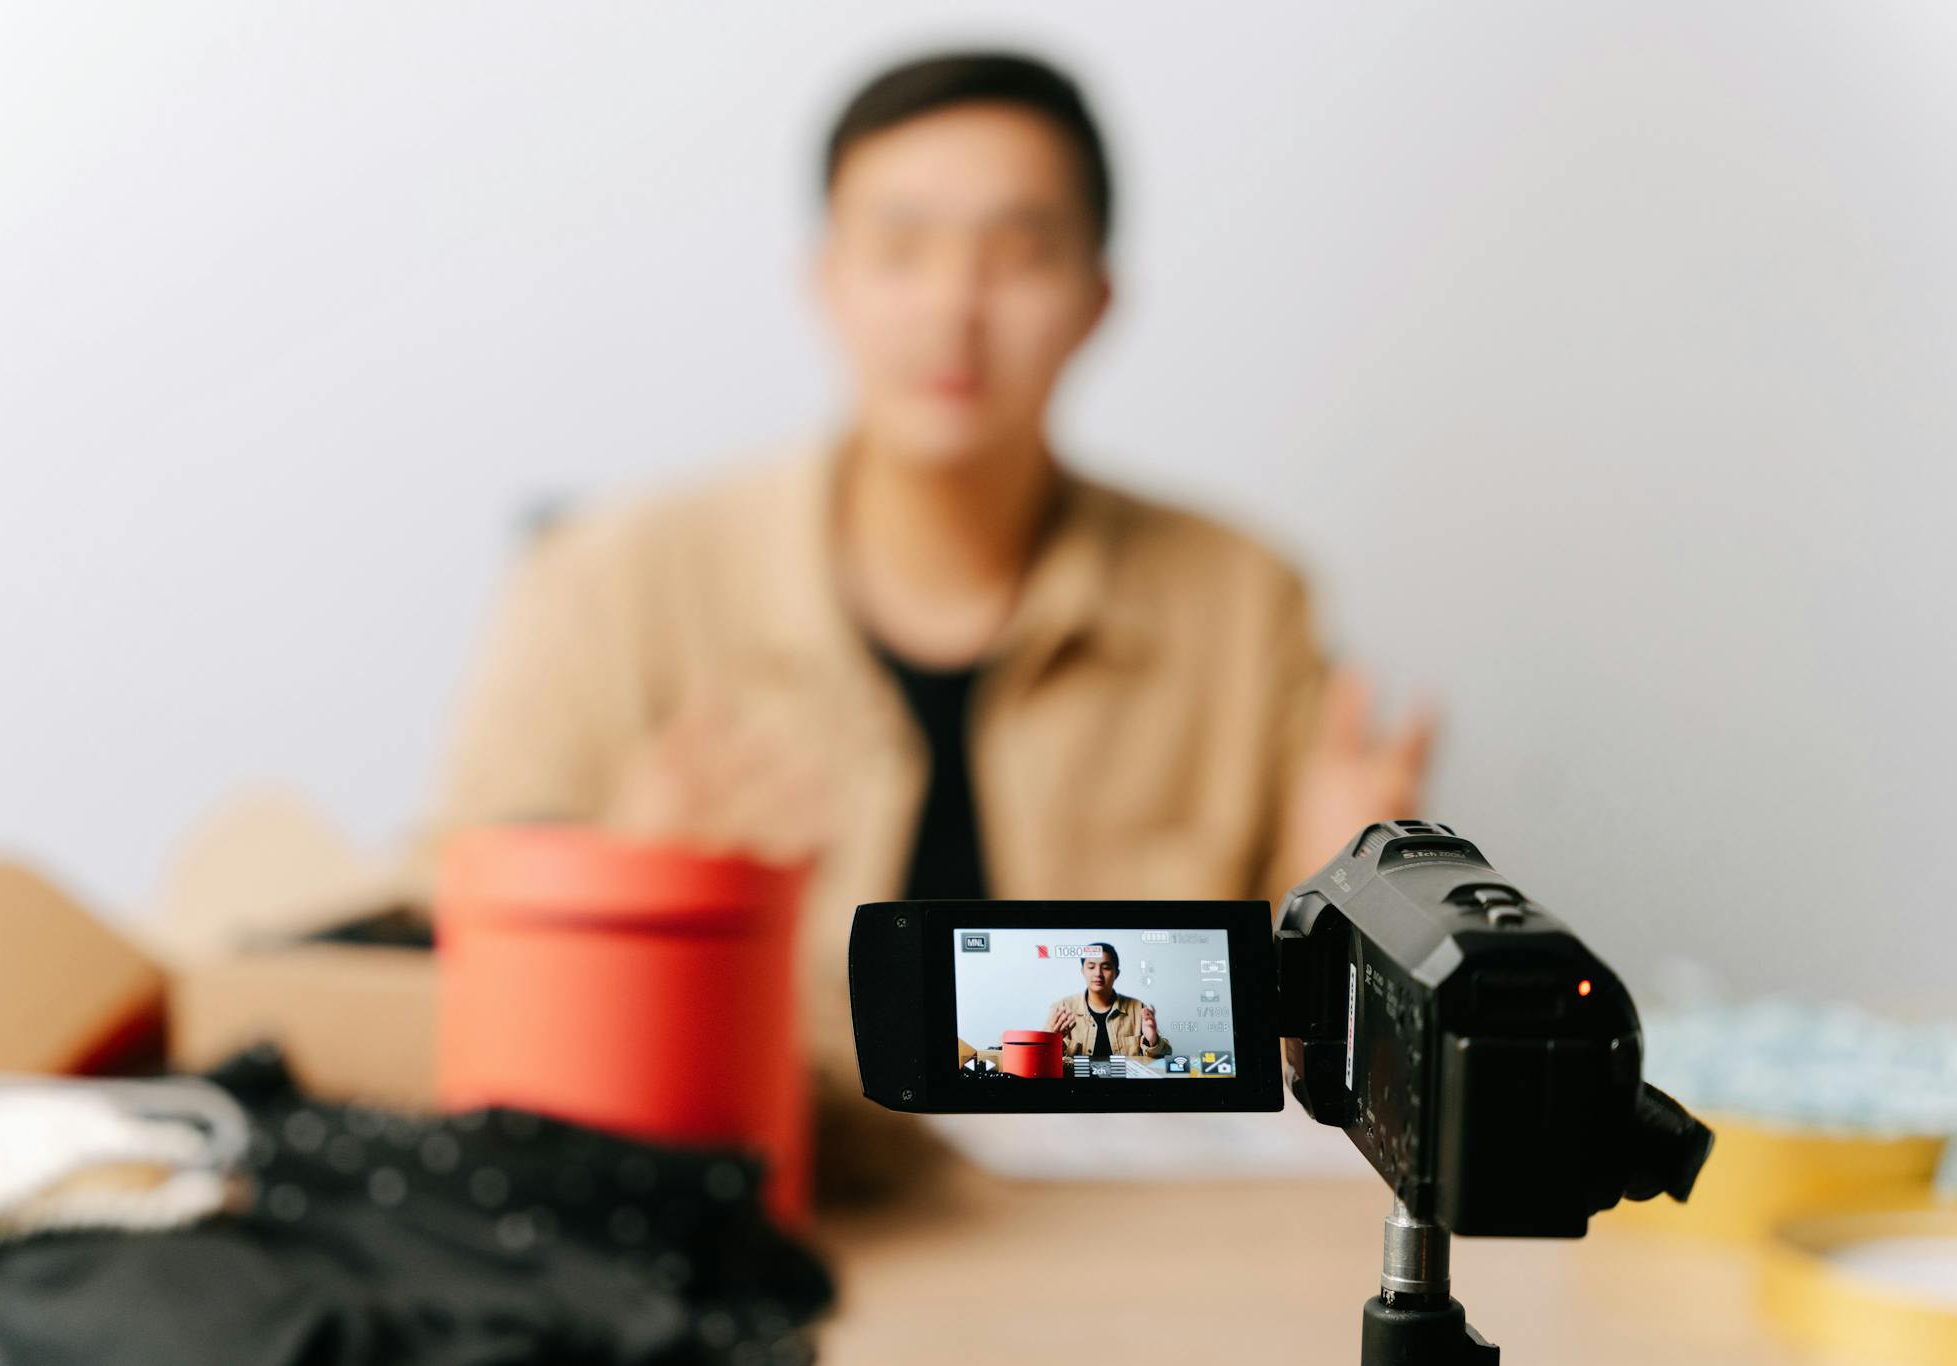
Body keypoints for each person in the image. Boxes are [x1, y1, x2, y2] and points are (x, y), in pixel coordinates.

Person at [426, 51, 1434, 1196]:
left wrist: (1347, 931)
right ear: (825, 281)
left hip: (1119, 1244)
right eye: (900, 248)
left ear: (1097, 299)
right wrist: (624, 889)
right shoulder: (604, 580)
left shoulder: (1244, 601)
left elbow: (1310, 1064)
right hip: (745, 1215)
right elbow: (440, 970)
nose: (952, 308)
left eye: (1016, 253)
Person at [1044, 943, 1169, 1062]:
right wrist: (1050, 1040)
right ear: (1083, 971)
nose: (1098, 973)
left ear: (1117, 973)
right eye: (1091, 967)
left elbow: (1165, 1055)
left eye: (1106, 967)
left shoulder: (1138, 1008)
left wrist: (1153, 1040)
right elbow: (1042, 1058)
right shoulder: (1062, 1008)